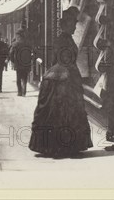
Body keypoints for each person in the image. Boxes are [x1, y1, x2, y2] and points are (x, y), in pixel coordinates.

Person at [29, 8, 93, 158]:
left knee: (59, 111)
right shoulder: (63, 40)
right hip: (65, 78)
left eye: (75, 24)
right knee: (63, 111)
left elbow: (54, 60)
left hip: (62, 76)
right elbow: (62, 60)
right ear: (65, 25)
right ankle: (63, 146)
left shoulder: (65, 39)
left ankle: (61, 146)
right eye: (72, 24)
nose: (75, 27)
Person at [9, 28, 33, 96]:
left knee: (18, 78)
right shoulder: (28, 43)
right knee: (25, 77)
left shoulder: (15, 44)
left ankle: (20, 92)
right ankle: (24, 90)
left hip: (18, 63)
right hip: (26, 63)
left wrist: (13, 61)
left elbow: (11, 53)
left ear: (18, 36)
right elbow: (32, 52)